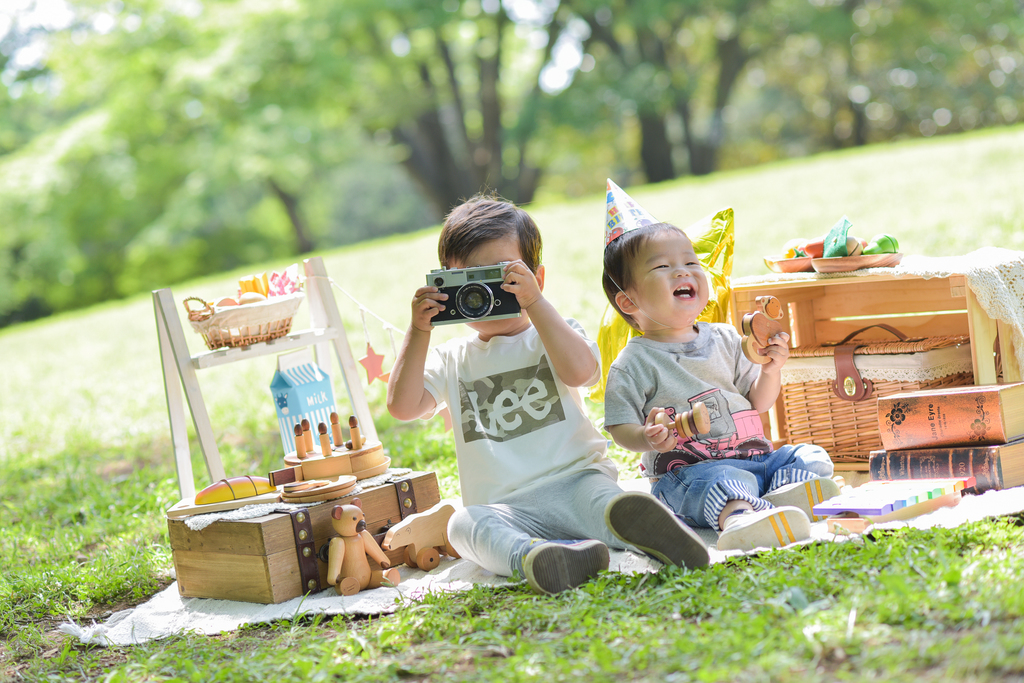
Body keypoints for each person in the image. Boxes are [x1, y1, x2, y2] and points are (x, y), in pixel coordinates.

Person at [386, 194, 709, 595]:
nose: (486, 294)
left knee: (606, 505)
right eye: (471, 281)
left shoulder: (554, 332)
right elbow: (402, 407)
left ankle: (640, 527)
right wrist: (418, 330)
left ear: (536, 279)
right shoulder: (451, 359)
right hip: (506, 507)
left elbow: (583, 372)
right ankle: (537, 557)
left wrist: (536, 305)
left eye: (502, 277)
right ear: (447, 287)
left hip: (578, 482)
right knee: (462, 525)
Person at [601, 194, 838, 551]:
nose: (683, 271)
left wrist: (772, 369)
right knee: (721, 482)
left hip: (756, 459)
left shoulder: (727, 337)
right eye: (662, 267)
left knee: (807, 456)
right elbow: (619, 429)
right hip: (689, 474)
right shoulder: (633, 362)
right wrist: (648, 438)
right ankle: (741, 519)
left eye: (690, 261)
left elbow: (756, 402)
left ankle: (779, 497)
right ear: (629, 301)